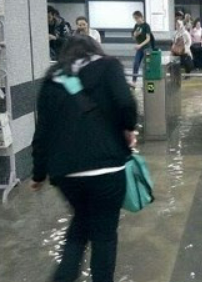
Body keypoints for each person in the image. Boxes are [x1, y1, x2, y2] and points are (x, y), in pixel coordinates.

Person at [30, 35, 137, 282]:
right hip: (106, 167)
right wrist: (128, 128)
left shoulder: (51, 79)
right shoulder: (109, 66)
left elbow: (42, 132)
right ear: (94, 49)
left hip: (66, 173)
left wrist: (38, 173)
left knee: (81, 222)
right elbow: (125, 103)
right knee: (105, 234)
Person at [131, 11, 151, 84]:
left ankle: (148, 82)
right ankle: (134, 81)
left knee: (147, 65)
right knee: (136, 63)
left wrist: (140, 45)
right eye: (134, 19)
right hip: (139, 49)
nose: (136, 20)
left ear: (141, 17)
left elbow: (148, 39)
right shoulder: (136, 26)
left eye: (136, 18)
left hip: (147, 48)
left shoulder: (146, 26)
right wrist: (135, 34)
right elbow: (133, 37)